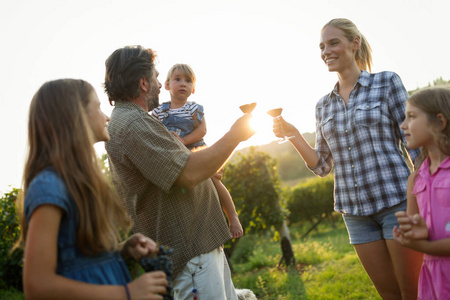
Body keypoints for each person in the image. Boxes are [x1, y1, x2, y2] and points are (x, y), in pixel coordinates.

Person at [272, 18, 422, 299]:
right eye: (321, 46)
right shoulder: (322, 105)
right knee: (389, 295)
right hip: (355, 214)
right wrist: (293, 135)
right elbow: (322, 165)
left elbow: (415, 147)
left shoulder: (386, 82)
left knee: (413, 293)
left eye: (333, 43)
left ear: (355, 44)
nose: (325, 51)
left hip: (397, 204)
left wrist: (424, 199)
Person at [104, 45, 255, 300]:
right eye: (155, 77)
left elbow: (178, 164)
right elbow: (187, 174)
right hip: (191, 255)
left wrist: (207, 165)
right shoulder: (133, 124)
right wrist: (235, 136)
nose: (160, 85)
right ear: (143, 83)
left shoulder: (136, 120)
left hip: (198, 248)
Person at [17, 79, 168, 300]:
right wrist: (127, 292)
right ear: (75, 117)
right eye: (97, 107)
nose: (106, 116)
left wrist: (121, 250)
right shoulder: (48, 186)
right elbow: (37, 285)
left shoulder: (76, 182)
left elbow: (75, 261)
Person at [152, 63, 243, 239]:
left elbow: (202, 131)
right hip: (175, 156)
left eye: (188, 81)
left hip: (197, 151)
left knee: (215, 182)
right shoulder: (159, 112)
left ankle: (233, 217)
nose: (183, 84)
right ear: (167, 85)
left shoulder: (194, 109)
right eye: (177, 79)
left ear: (193, 88)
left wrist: (183, 140)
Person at [393, 87, 450, 299]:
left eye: (412, 116)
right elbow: (414, 223)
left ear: (440, 122)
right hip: (432, 280)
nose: (403, 125)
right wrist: (412, 232)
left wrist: (424, 245)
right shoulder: (415, 180)